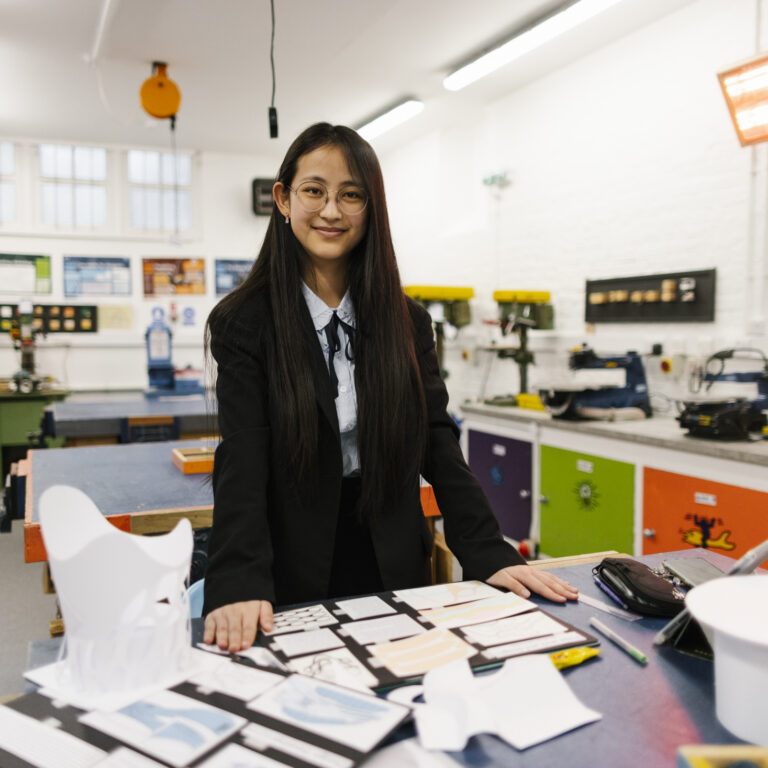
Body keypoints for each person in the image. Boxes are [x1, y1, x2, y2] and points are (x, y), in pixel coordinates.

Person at [202, 122, 577, 652]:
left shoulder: (406, 321)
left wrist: (487, 551)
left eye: (351, 195)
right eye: (314, 190)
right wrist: (238, 576)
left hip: (393, 562)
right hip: (289, 567)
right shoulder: (244, 323)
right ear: (283, 200)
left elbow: (438, 442)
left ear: (371, 208)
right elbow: (243, 457)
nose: (331, 211)